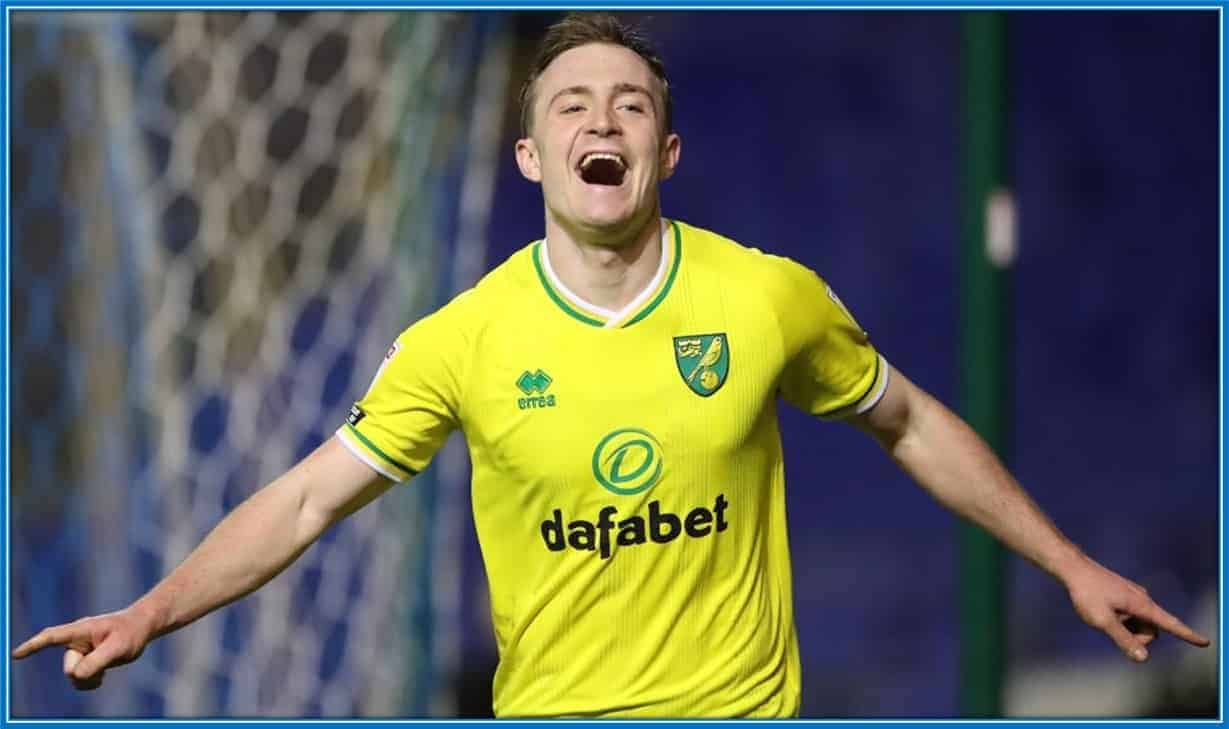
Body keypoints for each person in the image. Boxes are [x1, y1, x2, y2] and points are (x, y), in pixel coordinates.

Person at [13, 13, 1210, 718]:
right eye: (573, 106)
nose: (602, 123)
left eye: (629, 106)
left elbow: (905, 424)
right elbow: (309, 497)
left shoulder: (764, 297)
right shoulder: (459, 341)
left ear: (665, 149)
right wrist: (155, 611)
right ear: (530, 156)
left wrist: (1065, 563)